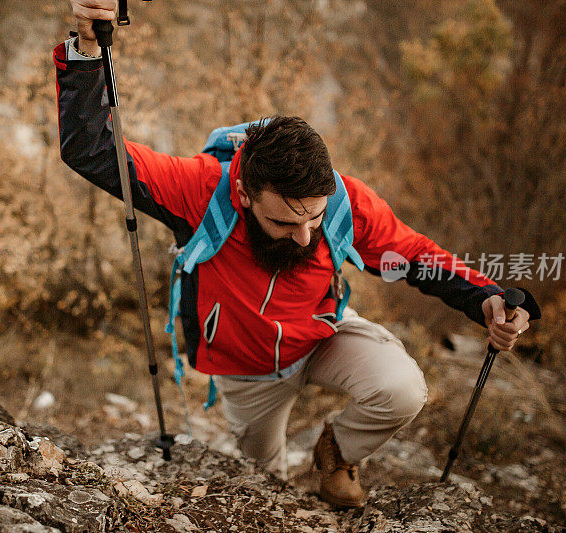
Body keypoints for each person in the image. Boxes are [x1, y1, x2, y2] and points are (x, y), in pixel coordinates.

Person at [56, 0, 540, 508]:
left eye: (314, 218)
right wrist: (88, 47)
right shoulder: (200, 191)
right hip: (247, 371)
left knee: (401, 388)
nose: (307, 236)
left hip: (322, 335)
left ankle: (336, 453)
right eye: (285, 222)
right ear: (243, 192)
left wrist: (485, 297)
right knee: (263, 488)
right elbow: (92, 151)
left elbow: (415, 256)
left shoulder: (344, 203)